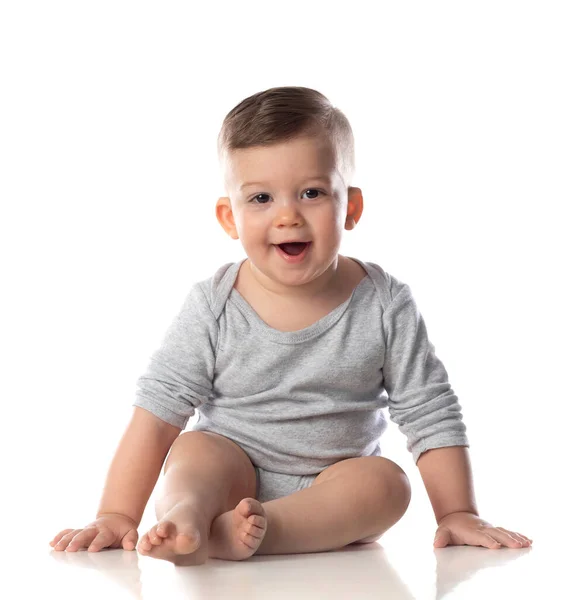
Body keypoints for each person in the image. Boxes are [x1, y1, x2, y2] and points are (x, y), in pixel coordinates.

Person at [49, 86, 532, 566]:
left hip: (333, 486)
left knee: (387, 484)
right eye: (260, 197)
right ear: (229, 217)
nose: (287, 215)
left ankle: (261, 531)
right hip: (230, 468)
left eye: (312, 193)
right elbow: (156, 416)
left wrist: (458, 512)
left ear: (352, 207)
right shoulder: (215, 305)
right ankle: (189, 514)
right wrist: (115, 513)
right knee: (196, 450)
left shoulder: (384, 304)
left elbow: (429, 410)